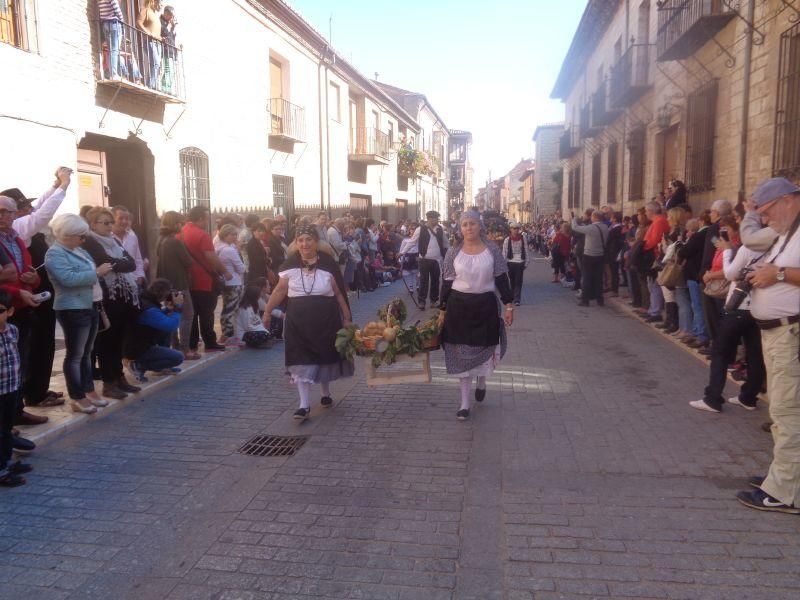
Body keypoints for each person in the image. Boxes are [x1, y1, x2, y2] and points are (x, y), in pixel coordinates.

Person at [736, 178, 800, 514]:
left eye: (767, 211)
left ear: (787, 199)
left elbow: (784, 272)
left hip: (790, 334)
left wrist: (776, 275)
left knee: (788, 412)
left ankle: (786, 491)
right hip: (778, 334)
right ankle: (785, 477)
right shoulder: (787, 231)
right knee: (782, 411)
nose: (765, 218)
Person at [263, 225, 353, 421]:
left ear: (316, 242)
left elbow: (339, 293)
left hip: (326, 319)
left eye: (309, 239)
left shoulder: (328, 263)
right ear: (296, 242)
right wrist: (268, 312)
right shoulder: (289, 265)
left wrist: (346, 317)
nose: (304, 244)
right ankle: (304, 405)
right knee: (300, 359)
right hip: (298, 320)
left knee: (324, 356)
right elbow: (279, 291)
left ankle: (325, 392)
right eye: (300, 240)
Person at [3, 168, 72, 410]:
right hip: (13, 302)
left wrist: (55, 187)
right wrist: (62, 187)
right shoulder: (20, 228)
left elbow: (40, 210)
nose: (28, 210)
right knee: (23, 354)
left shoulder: (15, 233)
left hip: (31, 296)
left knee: (37, 348)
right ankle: (26, 400)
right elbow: (42, 215)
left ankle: (31, 395)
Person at [439, 210, 514, 421]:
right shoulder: (454, 251)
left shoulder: (492, 250)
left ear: (480, 226)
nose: (469, 228)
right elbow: (446, 281)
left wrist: (509, 305)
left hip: (485, 307)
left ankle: (482, 379)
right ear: (460, 228)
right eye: (464, 225)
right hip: (458, 308)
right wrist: (442, 309)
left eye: (472, 224)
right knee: (460, 353)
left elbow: (501, 278)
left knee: (483, 348)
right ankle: (464, 403)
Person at [689, 239, 765, 413]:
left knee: (720, 352)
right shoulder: (775, 246)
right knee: (755, 355)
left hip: (739, 307)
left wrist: (727, 252)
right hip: (759, 308)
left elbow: (730, 273)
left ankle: (713, 399)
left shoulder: (748, 247)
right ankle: (748, 397)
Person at [45, 214, 110, 414]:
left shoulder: (79, 250)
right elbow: (68, 279)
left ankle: (88, 390)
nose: (84, 239)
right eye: (80, 236)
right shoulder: (55, 254)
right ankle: (77, 396)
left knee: (86, 353)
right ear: (67, 235)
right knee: (75, 355)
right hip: (72, 308)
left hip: (89, 305)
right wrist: (97, 273)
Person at [82, 207, 141, 400]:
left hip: (122, 295)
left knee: (118, 340)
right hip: (107, 296)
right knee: (107, 341)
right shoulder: (90, 241)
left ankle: (119, 377)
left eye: (110, 222)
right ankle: (109, 382)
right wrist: (117, 263)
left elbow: (131, 263)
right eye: (105, 223)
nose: (110, 226)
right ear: (93, 224)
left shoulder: (114, 240)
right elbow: (103, 260)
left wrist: (114, 264)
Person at [0, 195, 45, 427]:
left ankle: (16, 412)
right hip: (5, 310)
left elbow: (25, 272)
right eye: (0, 212)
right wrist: (18, 292)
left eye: (8, 212)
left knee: (19, 362)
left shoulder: (17, 240)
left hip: (23, 308)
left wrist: (34, 280)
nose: (4, 217)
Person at [181, 206, 230, 353]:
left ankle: (192, 343)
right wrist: (224, 271)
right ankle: (210, 342)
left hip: (188, 280)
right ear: (201, 218)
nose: (207, 222)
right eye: (206, 219)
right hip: (204, 280)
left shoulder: (181, 232)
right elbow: (211, 257)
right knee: (207, 313)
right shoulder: (202, 234)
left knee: (192, 313)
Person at [123, 278, 185, 381]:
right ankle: (138, 365)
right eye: (169, 292)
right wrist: (178, 308)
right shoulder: (150, 309)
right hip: (138, 349)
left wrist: (167, 310)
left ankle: (160, 368)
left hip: (134, 344)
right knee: (178, 357)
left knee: (164, 331)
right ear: (163, 294)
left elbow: (154, 318)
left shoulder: (145, 300)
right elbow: (171, 326)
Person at [156, 211, 198, 359]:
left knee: (171, 314)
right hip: (179, 283)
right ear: (175, 224)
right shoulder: (175, 241)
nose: (183, 225)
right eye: (181, 222)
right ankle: (185, 348)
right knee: (187, 314)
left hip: (166, 284)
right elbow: (188, 262)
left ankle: (175, 345)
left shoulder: (161, 239)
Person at [0, 290, 31, 487]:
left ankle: (6, 461)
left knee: (6, 428)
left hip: (11, 388)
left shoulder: (13, 330)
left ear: (10, 311)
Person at [408, 210, 448, 309]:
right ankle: (422, 302)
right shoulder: (420, 229)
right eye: (435, 218)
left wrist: (450, 253)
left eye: (437, 218)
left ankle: (433, 301)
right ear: (429, 219)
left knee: (435, 281)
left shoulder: (440, 229)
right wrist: (402, 252)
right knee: (423, 281)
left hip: (437, 260)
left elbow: (446, 243)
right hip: (424, 259)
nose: (437, 220)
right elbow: (412, 242)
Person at [571, 210, 608, 307]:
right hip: (600, 255)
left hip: (589, 255)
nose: (591, 218)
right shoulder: (605, 227)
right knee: (598, 278)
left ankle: (585, 300)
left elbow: (575, 227)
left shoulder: (591, 228)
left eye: (592, 216)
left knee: (587, 278)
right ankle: (600, 300)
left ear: (595, 217)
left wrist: (574, 218)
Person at [216, 224, 245, 345]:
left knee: (227, 308)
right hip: (234, 283)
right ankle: (228, 335)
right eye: (232, 234)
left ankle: (228, 334)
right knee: (231, 310)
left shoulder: (219, 247)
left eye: (236, 234)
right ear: (225, 235)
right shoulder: (229, 250)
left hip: (227, 283)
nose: (235, 237)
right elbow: (242, 268)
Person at [111, 205, 147, 286]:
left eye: (126, 219)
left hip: (133, 281)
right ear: (112, 219)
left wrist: (140, 276)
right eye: (121, 218)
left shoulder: (132, 237)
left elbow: (138, 259)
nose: (124, 221)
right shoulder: (107, 238)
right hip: (115, 283)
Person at [137, 0, 163, 91]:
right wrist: (147, 32)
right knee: (155, 62)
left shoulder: (156, 15)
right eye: (160, 3)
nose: (161, 6)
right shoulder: (146, 10)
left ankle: (153, 84)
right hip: (149, 41)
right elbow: (139, 22)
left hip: (158, 43)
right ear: (153, 2)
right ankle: (150, 85)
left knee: (157, 64)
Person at [502, 221, 528, 306]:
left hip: (520, 262)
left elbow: (526, 250)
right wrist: (504, 264)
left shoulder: (523, 238)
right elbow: (504, 252)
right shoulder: (507, 240)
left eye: (517, 228)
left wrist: (526, 262)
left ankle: (517, 299)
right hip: (510, 262)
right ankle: (513, 296)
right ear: (511, 229)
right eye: (514, 228)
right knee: (512, 281)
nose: (515, 230)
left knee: (518, 281)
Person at [98, 0, 125, 80]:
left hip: (105, 24)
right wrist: (122, 20)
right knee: (114, 50)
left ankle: (112, 74)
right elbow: (116, 8)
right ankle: (113, 74)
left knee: (111, 50)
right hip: (114, 24)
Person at [160, 5, 178, 94]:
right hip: (166, 49)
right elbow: (163, 33)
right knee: (168, 70)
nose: (172, 18)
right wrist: (170, 26)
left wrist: (173, 28)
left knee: (172, 72)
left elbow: (172, 36)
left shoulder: (169, 24)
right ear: (166, 13)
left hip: (172, 50)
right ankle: (165, 88)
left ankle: (168, 88)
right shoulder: (161, 22)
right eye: (171, 15)